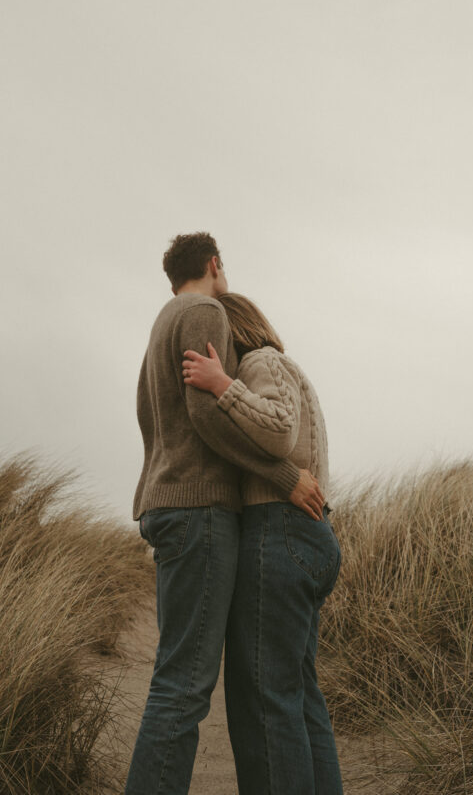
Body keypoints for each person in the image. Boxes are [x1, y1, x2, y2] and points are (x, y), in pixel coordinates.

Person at [125, 233, 325, 795]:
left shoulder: (161, 323)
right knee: (185, 686)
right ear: (214, 264)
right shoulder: (206, 310)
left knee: (174, 679)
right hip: (200, 510)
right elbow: (209, 415)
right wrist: (285, 478)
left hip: (164, 506)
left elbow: (152, 416)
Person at [182, 291, 344, 795]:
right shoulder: (289, 369)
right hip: (304, 537)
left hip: (279, 534)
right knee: (298, 697)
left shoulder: (261, 361)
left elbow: (276, 431)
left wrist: (221, 384)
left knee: (265, 702)